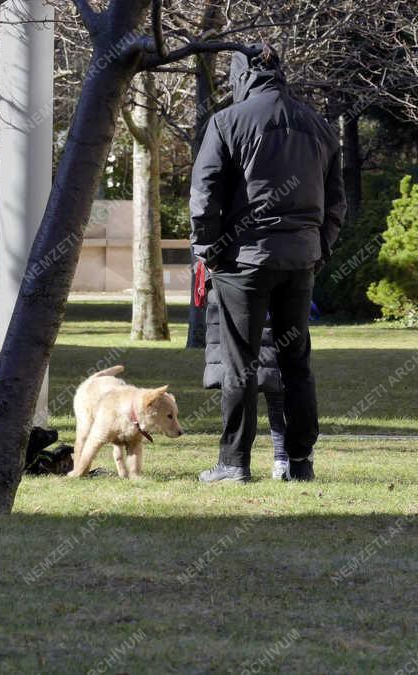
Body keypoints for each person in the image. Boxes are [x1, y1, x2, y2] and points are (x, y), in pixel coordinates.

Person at [189, 43, 347, 483]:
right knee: (296, 361)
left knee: (240, 364)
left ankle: (233, 463)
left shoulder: (227, 122)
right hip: (299, 260)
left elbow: (204, 196)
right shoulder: (318, 126)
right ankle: (300, 463)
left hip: (245, 261)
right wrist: (319, 250)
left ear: (241, 77)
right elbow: (336, 203)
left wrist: (209, 250)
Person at [195, 260, 289, 479]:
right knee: (273, 389)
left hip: (233, 286)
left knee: (243, 386)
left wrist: (210, 261)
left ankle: (236, 463)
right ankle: (283, 461)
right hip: (268, 283)